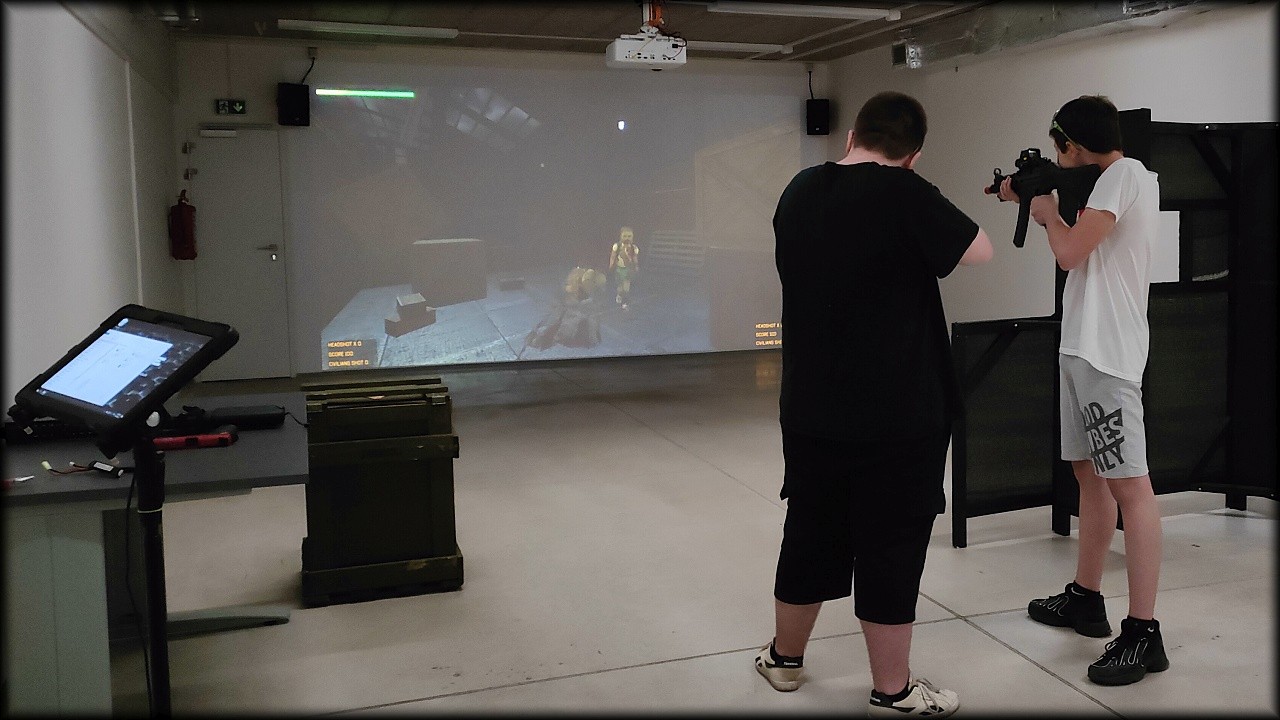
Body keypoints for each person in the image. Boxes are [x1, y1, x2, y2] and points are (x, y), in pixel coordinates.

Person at [758, 91, 992, 717]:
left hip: (811, 406)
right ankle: (892, 691)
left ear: (851, 137)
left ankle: (784, 660)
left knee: (808, 531)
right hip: (900, 414)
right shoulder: (906, 193)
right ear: (913, 155)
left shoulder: (799, 190)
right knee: (891, 545)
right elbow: (980, 249)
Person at [999, 95, 1167, 686]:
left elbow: (1070, 253)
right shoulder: (1106, 183)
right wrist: (1028, 196)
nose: (1058, 159)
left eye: (1060, 149)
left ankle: (1143, 632)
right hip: (1082, 348)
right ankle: (1086, 596)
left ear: (1074, 145)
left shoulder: (1124, 175)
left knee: (1132, 489)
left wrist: (1047, 214)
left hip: (1107, 355)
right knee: (1088, 477)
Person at [608, 226, 640, 309]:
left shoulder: (634, 248)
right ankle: (619, 294)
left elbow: (635, 258)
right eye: (625, 236)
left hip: (628, 269)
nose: (627, 238)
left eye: (629, 236)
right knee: (620, 287)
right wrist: (611, 264)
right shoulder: (617, 246)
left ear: (632, 237)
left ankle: (625, 301)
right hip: (619, 269)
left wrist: (636, 265)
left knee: (626, 286)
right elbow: (613, 256)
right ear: (620, 236)